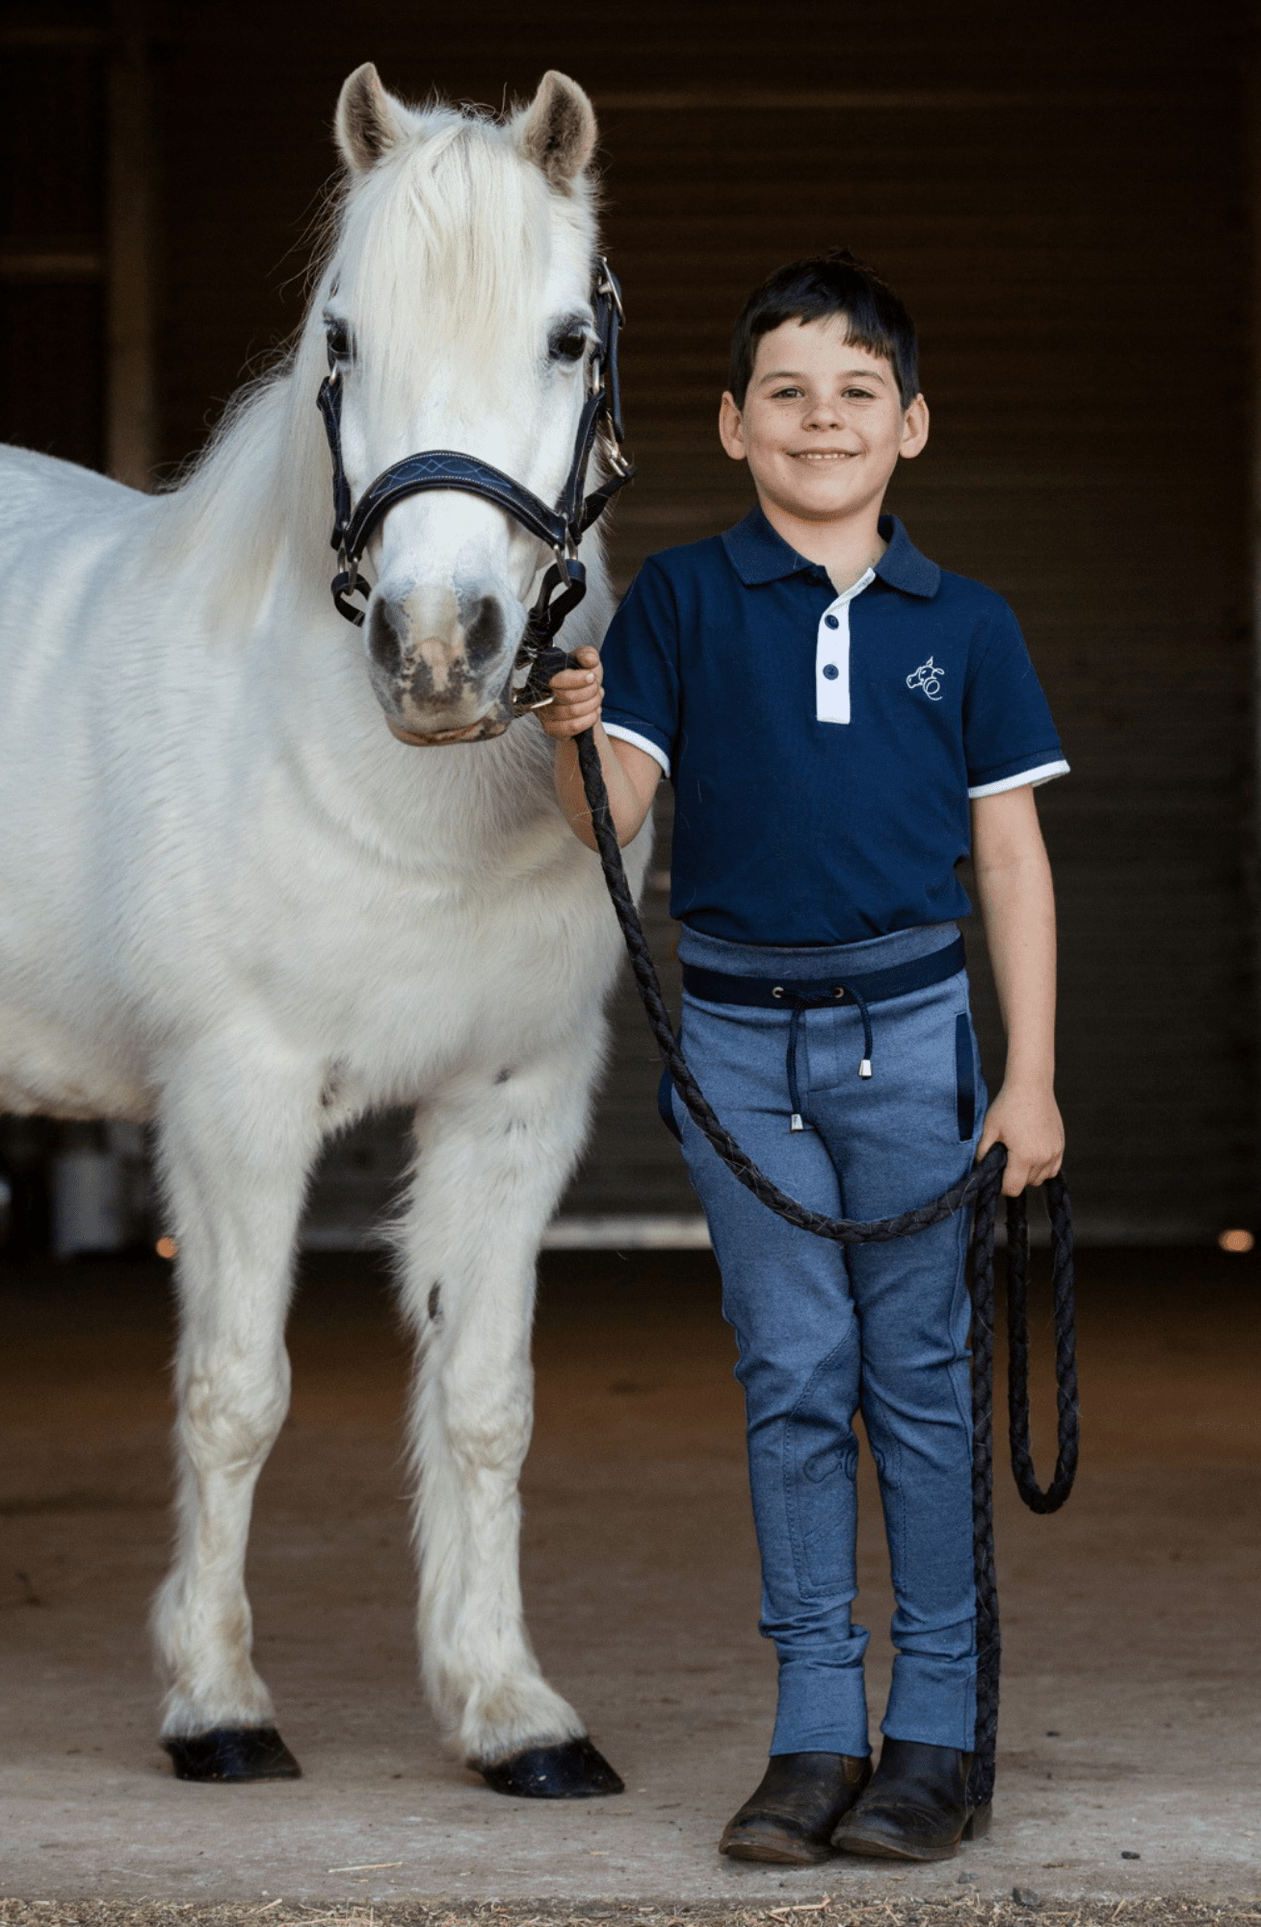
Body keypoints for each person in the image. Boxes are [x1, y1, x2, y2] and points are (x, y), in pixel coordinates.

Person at [538, 252, 1067, 1865]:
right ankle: (816, 1732)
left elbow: (1012, 864)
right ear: (728, 423)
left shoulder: (965, 626)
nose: (820, 419)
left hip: (915, 1037)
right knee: (792, 1378)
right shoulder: (685, 604)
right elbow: (610, 822)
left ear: (910, 424)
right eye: (787, 393)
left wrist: (1028, 1075)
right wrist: (566, 732)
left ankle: (937, 1734)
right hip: (740, 1046)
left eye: (855, 394)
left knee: (919, 1381)